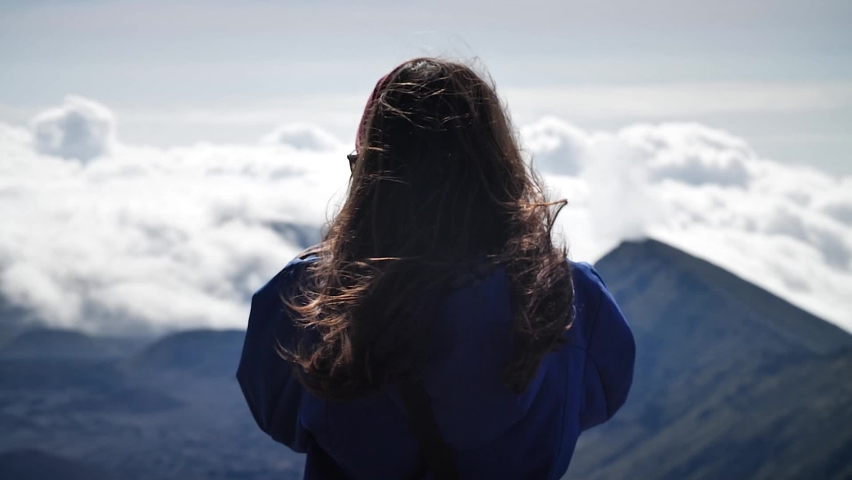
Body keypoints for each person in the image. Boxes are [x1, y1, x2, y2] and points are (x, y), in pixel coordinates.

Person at [237, 57, 635, 480]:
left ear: (373, 177)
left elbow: (280, 417)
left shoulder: (308, 299)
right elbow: (597, 400)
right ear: (499, 167)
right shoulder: (571, 300)